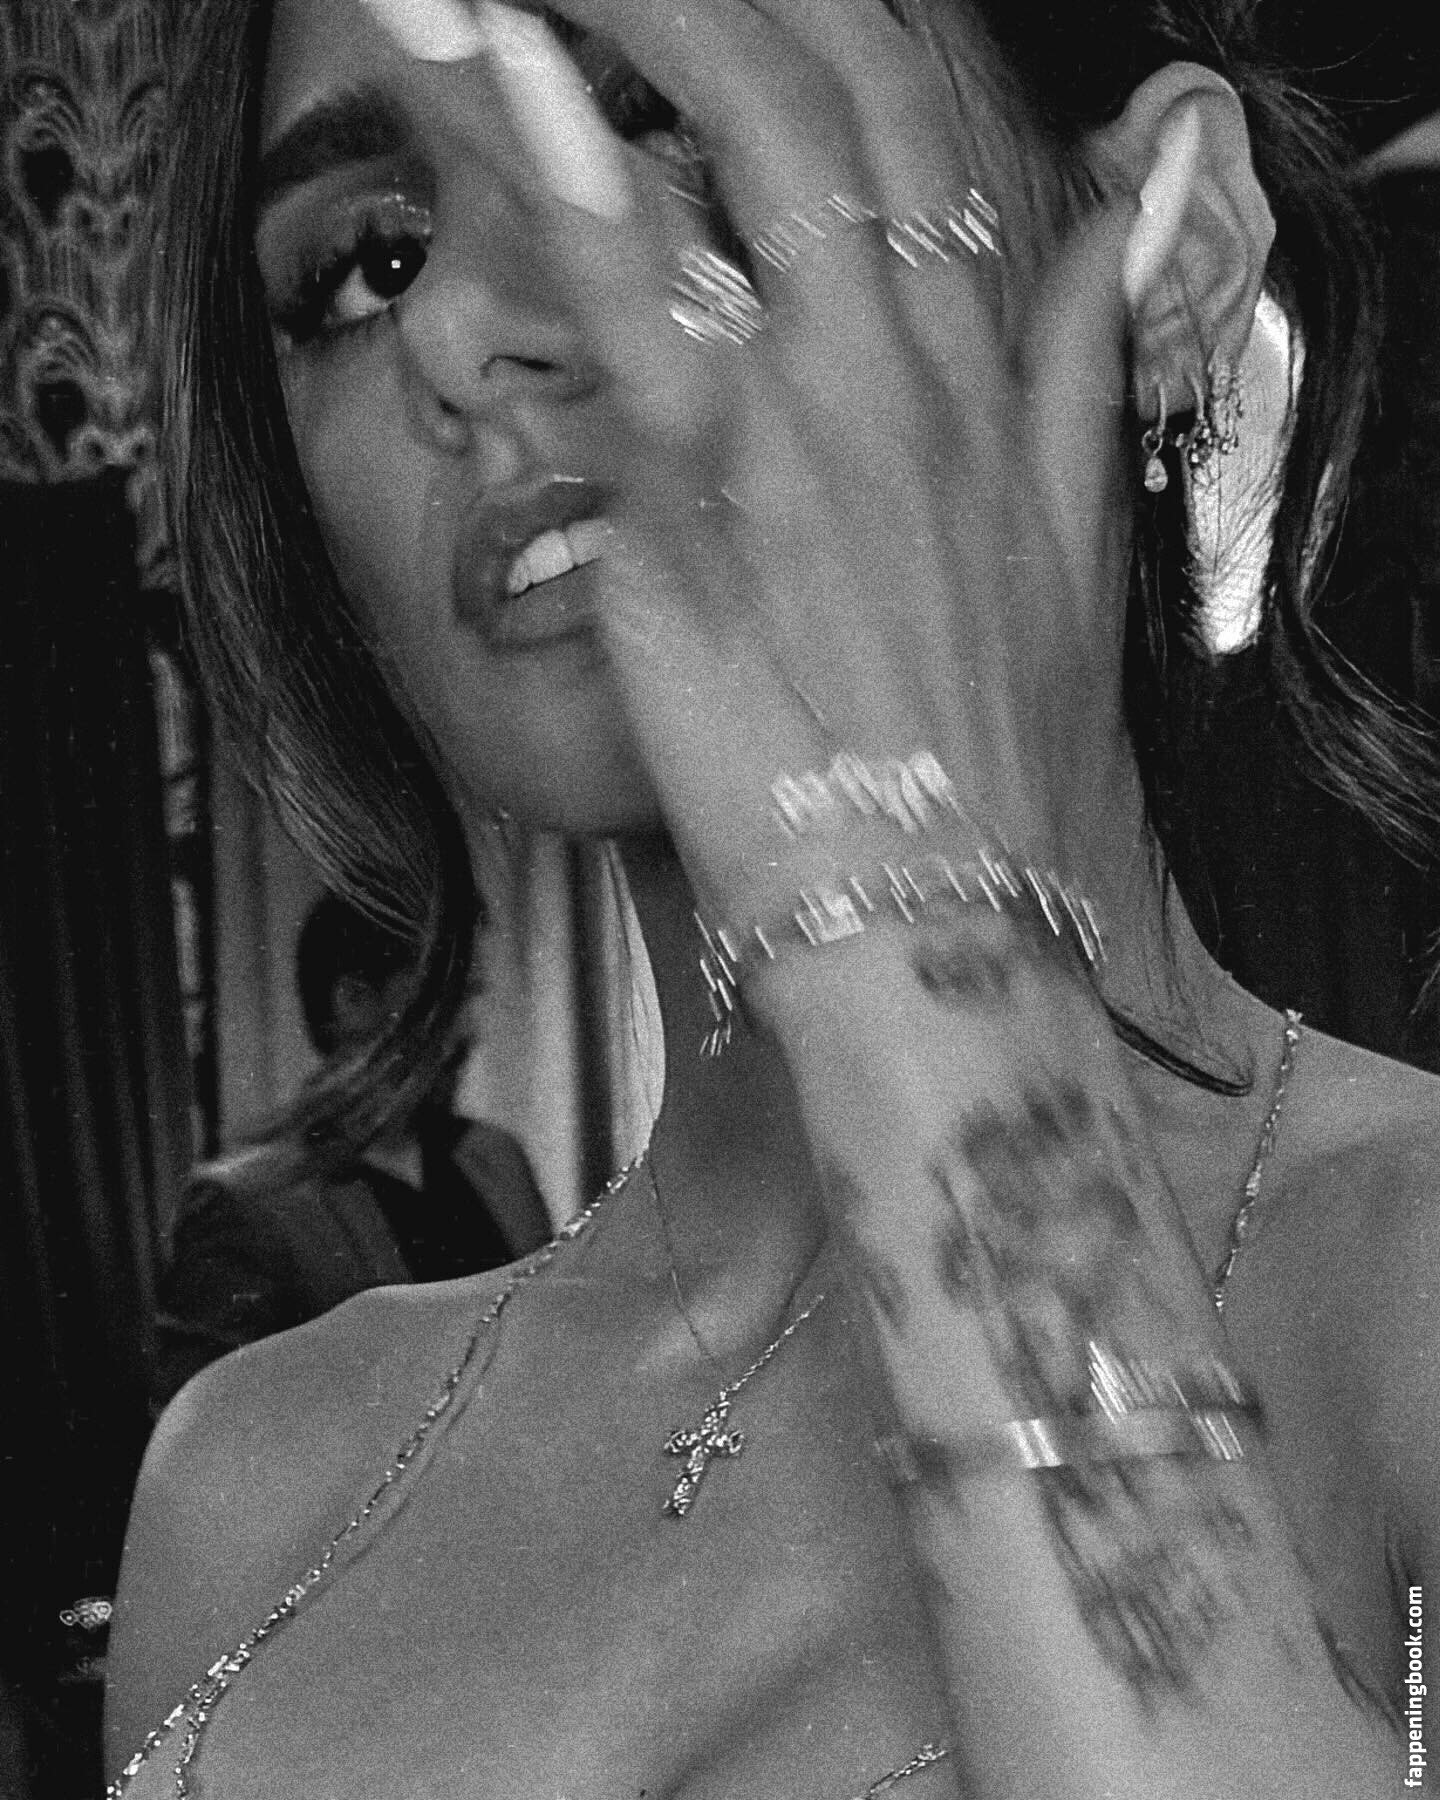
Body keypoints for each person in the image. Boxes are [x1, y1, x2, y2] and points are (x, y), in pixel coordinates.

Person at [103, 0, 1438, 1793]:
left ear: (1167, 247)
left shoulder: (1405, 1287)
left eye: (652, 121)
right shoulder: (247, 1490)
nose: (457, 329)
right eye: (368, 263)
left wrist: (925, 942)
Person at [151, 891, 551, 1404]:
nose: (469, 1031)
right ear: (355, 1002)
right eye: (448, 1000)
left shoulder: (498, 1159)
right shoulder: (247, 1202)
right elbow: (205, 1429)